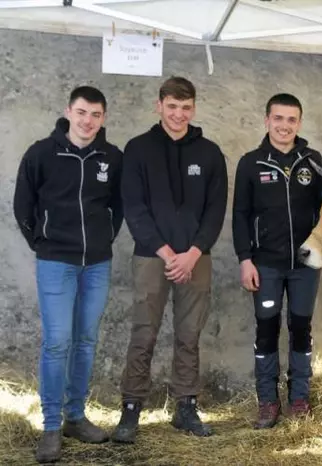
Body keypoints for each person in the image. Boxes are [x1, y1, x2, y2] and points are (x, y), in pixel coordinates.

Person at [111, 76, 228, 443]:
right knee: (143, 333)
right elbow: (135, 208)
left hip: (197, 258)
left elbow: (215, 210)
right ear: (159, 106)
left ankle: (186, 407)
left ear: (194, 108)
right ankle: (131, 409)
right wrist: (166, 253)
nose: (179, 114)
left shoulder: (210, 153)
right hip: (151, 258)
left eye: (186, 107)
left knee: (189, 336)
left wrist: (192, 253)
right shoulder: (138, 149)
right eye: (172, 106)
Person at [13, 86, 124, 463]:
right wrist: (43, 243)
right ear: (68, 111)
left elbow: (118, 207)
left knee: (86, 340)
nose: (87, 120)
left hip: (96, 263)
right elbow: (23, 205)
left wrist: (104, 238)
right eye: (81, 112)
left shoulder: (112, 157)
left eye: (95, 114)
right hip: (55, 262)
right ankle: (51, 425)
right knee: (57, 341)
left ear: (103, 118)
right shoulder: (42, 153)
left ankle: (76, 416)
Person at [232, 93, 322, 429]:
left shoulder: (313, 160)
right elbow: (240, 215)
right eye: (278, 118)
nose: (284, 126)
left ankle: (299, 397)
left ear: (299, 123)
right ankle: (268, 402)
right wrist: (246, 260)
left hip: (305, 267)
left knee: (301, 329)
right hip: (266, 266)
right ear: (267, 120)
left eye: (291, 119)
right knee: (267, 330)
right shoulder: (251, 162)